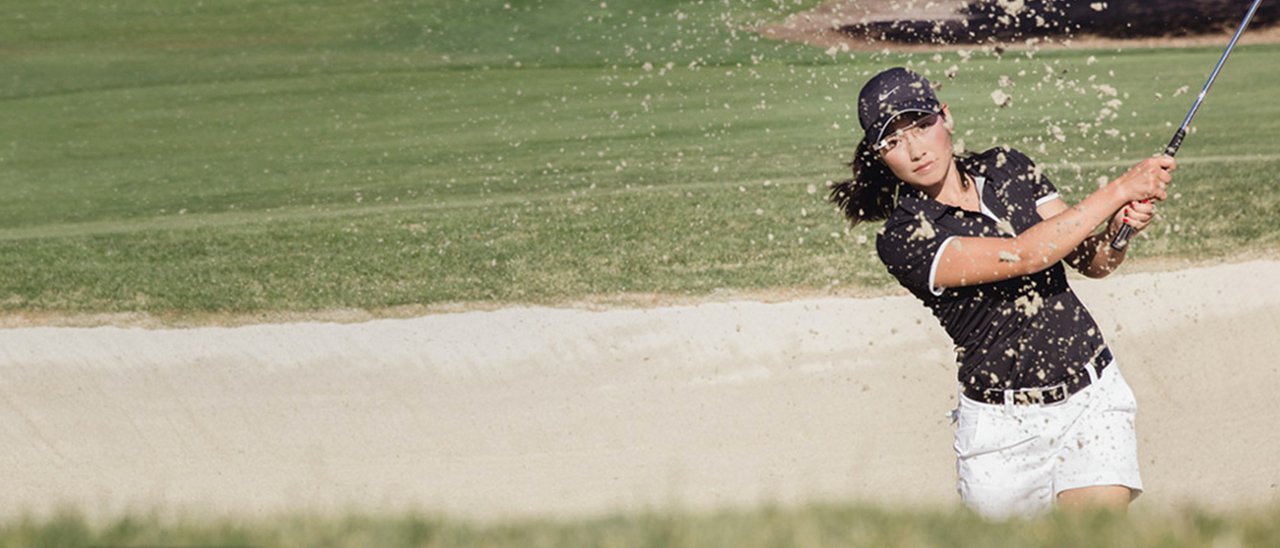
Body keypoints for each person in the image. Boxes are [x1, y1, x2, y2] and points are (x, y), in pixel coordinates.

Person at [829, 67, 1174, 519]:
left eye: (920, 126)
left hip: (1091, 397)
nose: (914, 149)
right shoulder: (904, 236)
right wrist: (1121, 188)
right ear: (880, 156)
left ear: (945, 117)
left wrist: (1121, 231)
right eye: (892, 141)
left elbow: (1093, 262)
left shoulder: (1008, 167)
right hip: (1002, 432)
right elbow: (1023, 255)